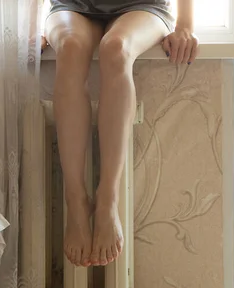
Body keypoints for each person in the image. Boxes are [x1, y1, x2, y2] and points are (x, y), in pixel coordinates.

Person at [44, 0, 199, 267]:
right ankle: (76, 200)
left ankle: (107, 199)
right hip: (71, 5)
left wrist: (185, 25)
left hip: (143, 6)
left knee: (116, 48)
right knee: (70, 48)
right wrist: (30, 27)